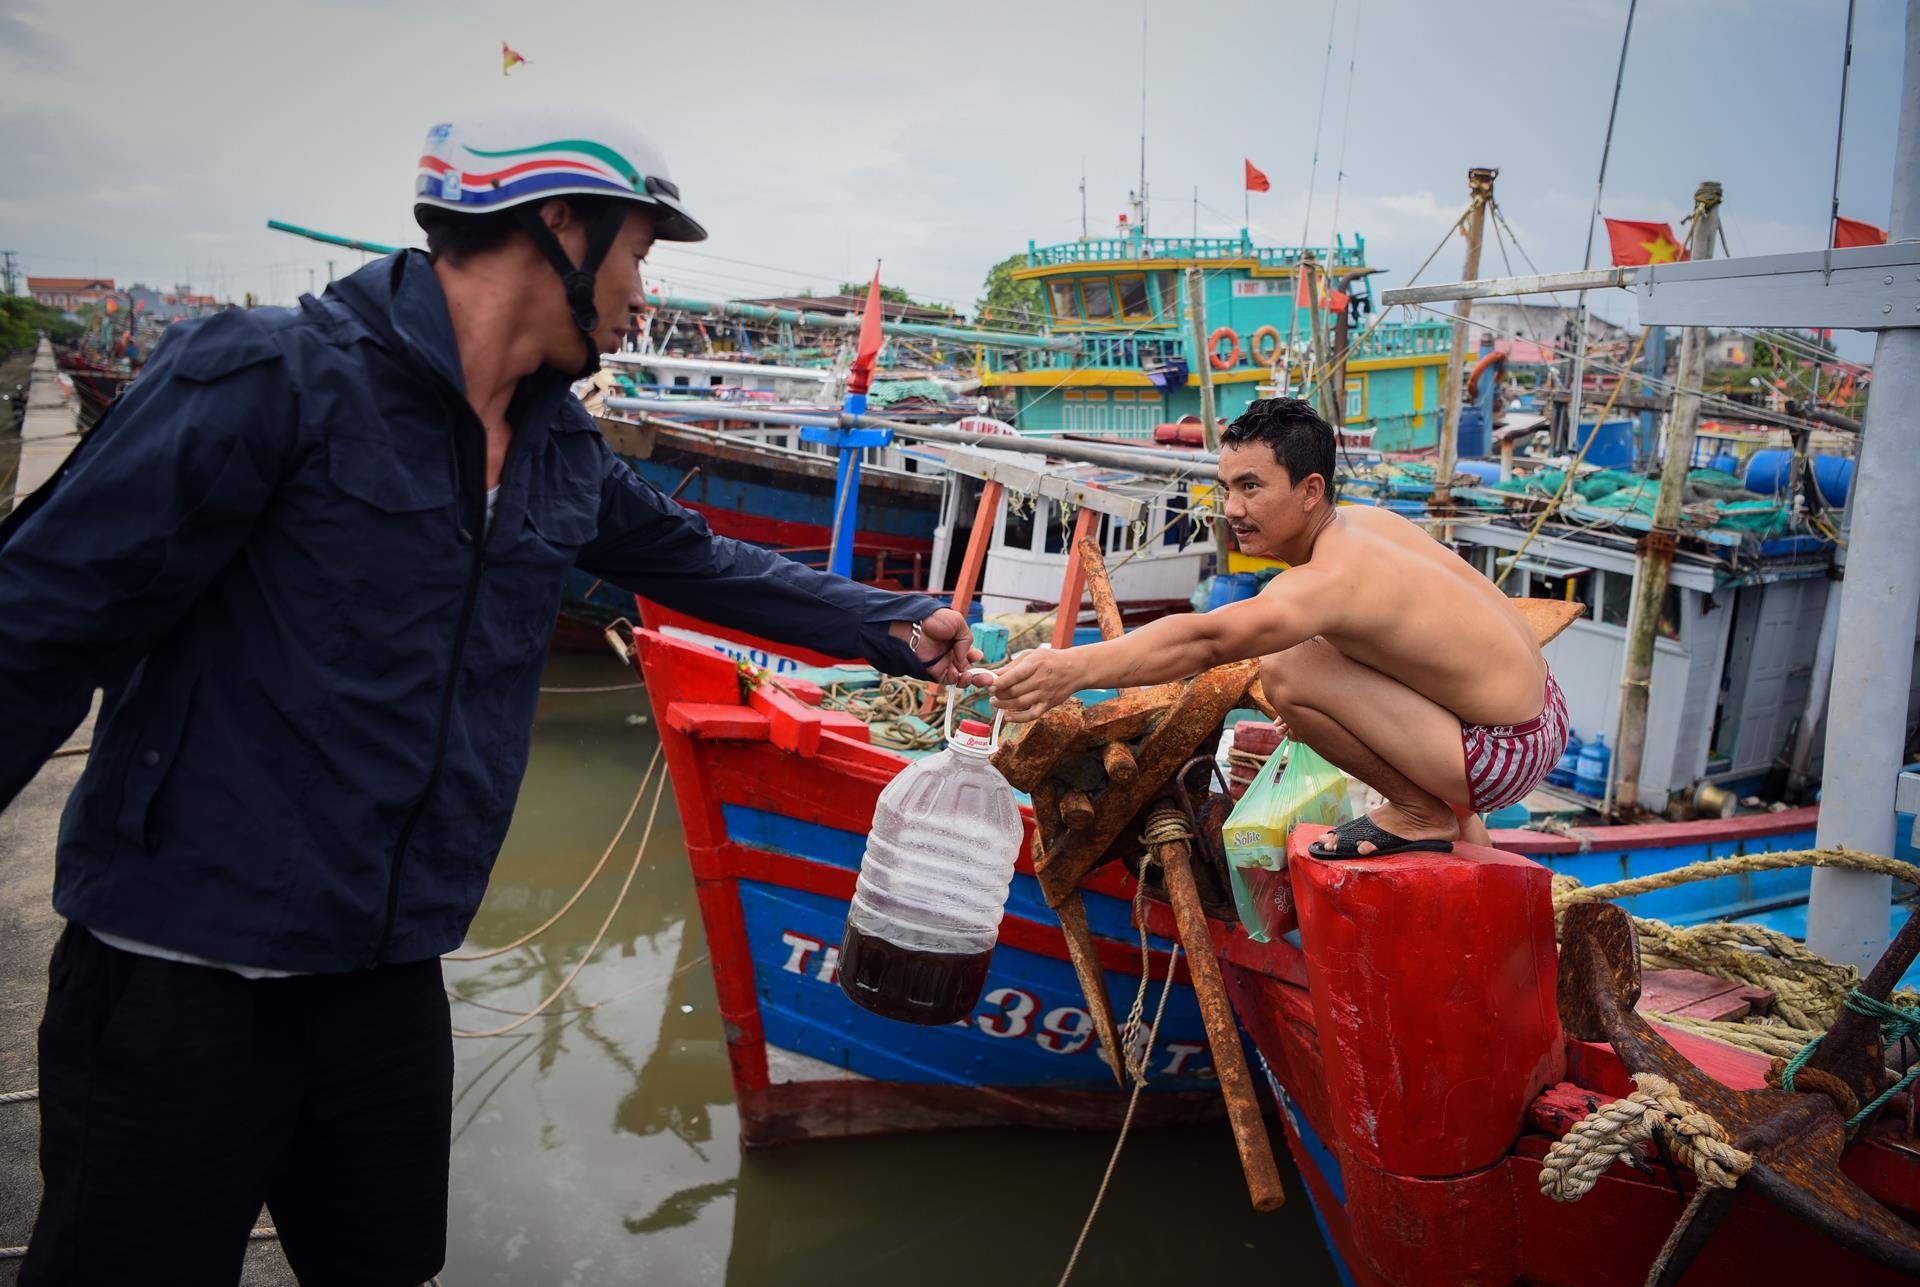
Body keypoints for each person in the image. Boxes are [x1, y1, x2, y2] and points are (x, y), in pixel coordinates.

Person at [0, 109, 975, 1286]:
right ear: (559, 226)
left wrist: (893, 626)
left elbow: (702, 562)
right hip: (181, 968)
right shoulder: (268, 377)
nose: (639, 299)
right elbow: (35, 625)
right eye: (638, 259)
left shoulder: (561, 449)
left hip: (383, 969)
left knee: (385, 1264)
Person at [987, 396, 1567, 858]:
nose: (1232, 509)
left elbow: (1207, 639)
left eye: (1252, 487)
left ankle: (1423, 813)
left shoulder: (1330, 581)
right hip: (1543, 709)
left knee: (1288, 669)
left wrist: (1071, 668)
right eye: (1227, 488)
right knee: (1314, 651)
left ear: (1310, 491)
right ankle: (1467, 829)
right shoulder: (1368, 523)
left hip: (1501, 755)